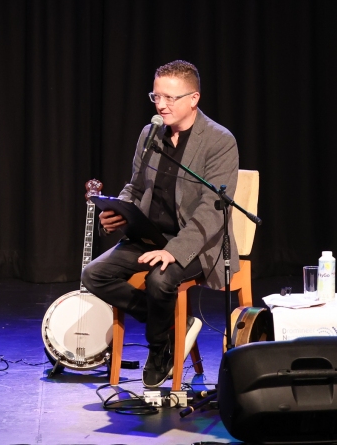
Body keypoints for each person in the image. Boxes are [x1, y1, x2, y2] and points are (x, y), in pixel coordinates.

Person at [82, 59, 240, 389]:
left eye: (170, 98)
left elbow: (213, 211)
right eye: (156, 96)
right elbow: (136, 186)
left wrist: (174, 251)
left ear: (194, 99)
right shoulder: (150, 132)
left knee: (160, 279)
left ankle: (158, 351)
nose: (161, 105)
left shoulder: (218, 140)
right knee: (94, 274)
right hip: (150, 235)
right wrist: (119, 210)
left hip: (197, 241)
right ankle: (169, 326)